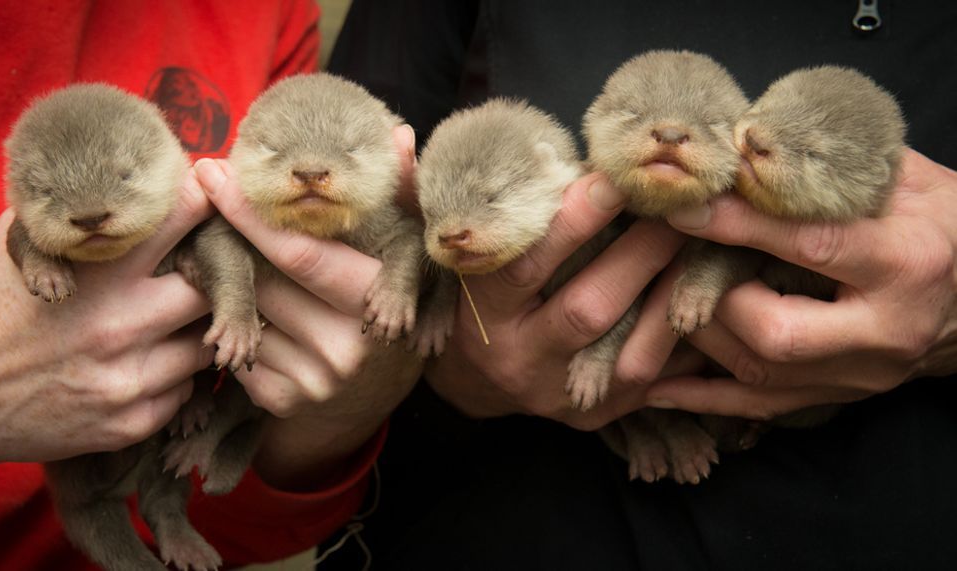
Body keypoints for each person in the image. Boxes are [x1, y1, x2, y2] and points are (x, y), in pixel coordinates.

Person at [316, 0, 957, 568]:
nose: (673, 137)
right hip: (500, 514)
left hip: (877, 504)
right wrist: (439, 349)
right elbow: (367, 187)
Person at [0, 1, 422, 568]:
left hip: (199, 446)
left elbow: (269, 480)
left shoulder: (268, 13)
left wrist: (357, 394)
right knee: (93, 501)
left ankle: (168, 519)